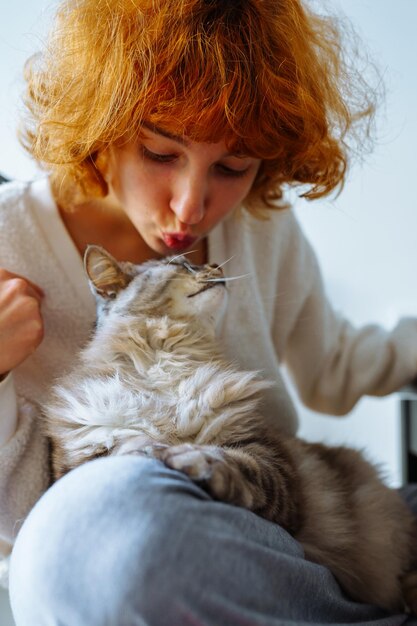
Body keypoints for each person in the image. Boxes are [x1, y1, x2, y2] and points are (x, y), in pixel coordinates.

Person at [1, 0, 417, 624]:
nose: (191, 207)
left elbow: (333, 368)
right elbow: (28, 515)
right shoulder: (11, 239)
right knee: (92, 536)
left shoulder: (262, 228)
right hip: (110, 551)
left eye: (231, 167)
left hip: (275, 528)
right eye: (160, 154)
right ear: (104, 125)